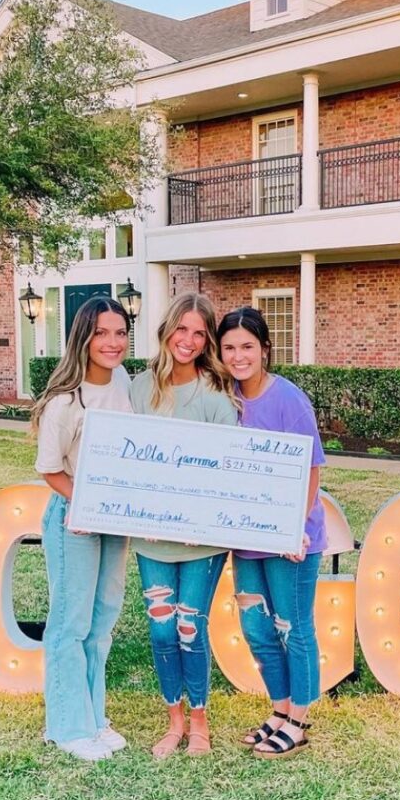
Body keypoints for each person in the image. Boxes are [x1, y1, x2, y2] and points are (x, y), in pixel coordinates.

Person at [130, 293, 238, 757]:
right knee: (159, 630)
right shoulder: (137, 388)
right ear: (167, 329)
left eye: (200, 333)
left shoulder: (215, 396)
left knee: (190, 627)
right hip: (152, 537)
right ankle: (173, 720)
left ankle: (199, 721)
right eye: (182, 329)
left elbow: (226, 468)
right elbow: (123, 457)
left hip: (201, 540)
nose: (189, 341)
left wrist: (204, 519)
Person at [217, 307, 326, 759]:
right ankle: (279, 710)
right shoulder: (224, 400)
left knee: (292, 626)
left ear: (264, 349)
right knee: (258, 628)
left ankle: (299, 720)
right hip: (247, 539)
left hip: (289, 541)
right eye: (229, 348)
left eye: (247, 346)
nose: (239, 356)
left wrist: (295, 529)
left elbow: (312, 470)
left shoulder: (289, 400)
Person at [31, 296, 133, 762]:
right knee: (70, 624)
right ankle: (68, 725)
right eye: (102, 333)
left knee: (103, 620)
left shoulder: (125, 382)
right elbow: (50, 469)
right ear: (83, 338)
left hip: (116, 519)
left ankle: (94, 717)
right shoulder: (63, 402)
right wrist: (90, 502)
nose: (112, 343)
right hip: (75, 519)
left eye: (120, 332)